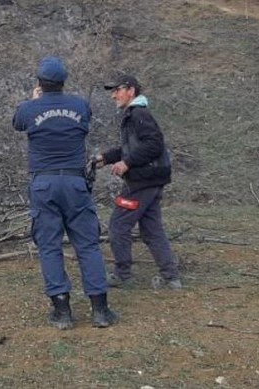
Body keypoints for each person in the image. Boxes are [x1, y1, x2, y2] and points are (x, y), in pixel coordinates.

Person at [12, 56, 118, 329]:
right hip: (75, 183)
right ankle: (100, 311)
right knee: (88, 245)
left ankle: (62, 311)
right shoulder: (80, 105)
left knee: (49, 246)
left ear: (40, 83)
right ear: (63, 82)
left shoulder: (29, 109)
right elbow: (84, 121)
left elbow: (18, 123)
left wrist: (34, 101)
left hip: (44, 184)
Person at [96, 74, 182, 290]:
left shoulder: (138, 114)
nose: (113, 95)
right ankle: (171, 277)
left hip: (142, 181)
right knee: (151, 228)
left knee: (118, 225)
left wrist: (127, 163)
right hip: (152, 180)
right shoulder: (134, 115)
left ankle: (122, 274)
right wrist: (105, 158)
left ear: (131, 90)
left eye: (117, 90)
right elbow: (132, 148)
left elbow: (154, 144)